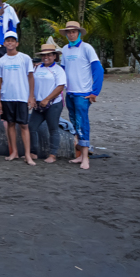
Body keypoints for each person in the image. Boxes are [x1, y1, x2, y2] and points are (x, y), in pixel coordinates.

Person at [59, 21, 104, 170]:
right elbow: (62, 71)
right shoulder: (65, 49)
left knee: (82, 123)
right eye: (68, 32)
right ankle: (79, 155)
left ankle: (85, 158)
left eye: (73, 31)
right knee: (74, 123)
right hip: (70, 92)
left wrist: (94, 92)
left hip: (83, 93)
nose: (71, 34)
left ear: (78, 32)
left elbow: (98, 70)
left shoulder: (86, 48)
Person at [0, 30, 36, 166]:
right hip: (7, 97)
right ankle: (14, 152)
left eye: (12, 40)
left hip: (21, 96)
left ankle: (28, 155)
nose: (10, 43)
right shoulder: (1, 61)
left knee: (24, 125)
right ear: (4, 43)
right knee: (10, 124)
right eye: (8, 40)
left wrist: (31, 96)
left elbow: (30, 77)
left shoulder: (25, 58)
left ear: (17, 43)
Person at [30, 43, 66, 164]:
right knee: (31, 127)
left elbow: (60, 86)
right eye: (44, 55)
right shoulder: (36, 68)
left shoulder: (58, 70)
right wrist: (33, 98)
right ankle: (33, 152)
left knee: (53, 128)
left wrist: (47, 99)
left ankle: (53, 154)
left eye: (49, 55)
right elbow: (31, 82)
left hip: (53, 104)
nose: (46, 57)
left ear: (55, 56)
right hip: (38, 103)